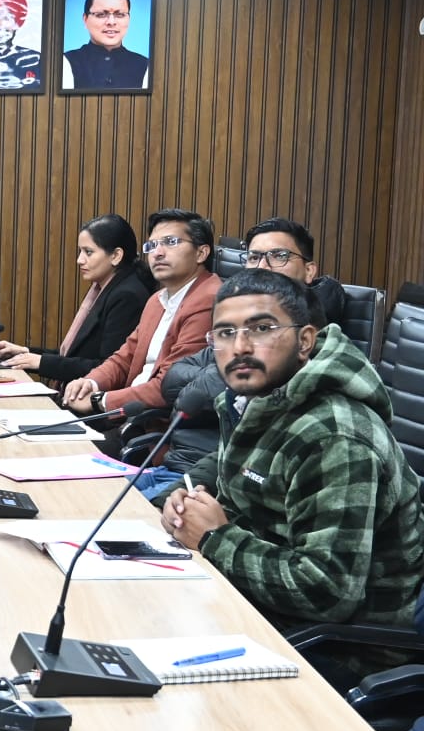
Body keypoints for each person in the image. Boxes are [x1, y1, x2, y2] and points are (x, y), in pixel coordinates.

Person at [161, 270, 424, 677]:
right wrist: (187, 503)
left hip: (337, 650)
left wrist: (214, 537)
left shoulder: (333, 437)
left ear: (304, 341)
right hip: (259, 608)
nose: (240, 347)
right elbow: (242, 492)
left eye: (261, 329)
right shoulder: (252, 401)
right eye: (226, 333)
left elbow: (327, 592)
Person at [137, 217, 347, 499]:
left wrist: (208, 528)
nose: (240, 348)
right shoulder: (236, 322)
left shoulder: (333, 432)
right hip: (194, 476)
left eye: (278, 256)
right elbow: (174, 380)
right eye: (254, 257)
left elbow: (199, 394)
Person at [63, 208, 219, 415]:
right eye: (152, 245)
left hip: (156, 424)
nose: (158, 252)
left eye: (170, 242)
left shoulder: (209, 300)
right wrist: (91, 382)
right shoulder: (157, 300)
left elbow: (171, 384)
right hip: (128, 412)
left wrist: (101, 401)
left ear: (201, 253)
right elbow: (125, 357)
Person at [0, 213, 153, 382]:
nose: (79, 260)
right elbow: (73, 355)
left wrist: (41, 362)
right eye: (80, 251)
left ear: (116, 255)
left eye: (88, 252)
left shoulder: (127, 297)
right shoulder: (101, 289)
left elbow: (108, 369)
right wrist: (25, 352)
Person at [61, 0, 150, 91]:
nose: (111, 22)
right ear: (85, 19)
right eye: (101, 14)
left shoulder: (145, 66)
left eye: (120, 15)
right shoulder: (66, 62)